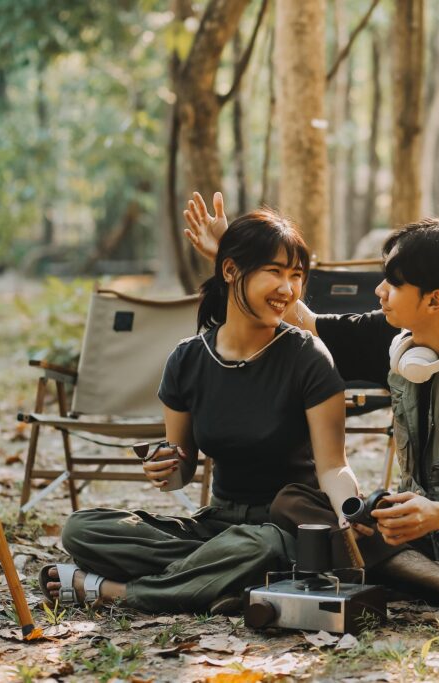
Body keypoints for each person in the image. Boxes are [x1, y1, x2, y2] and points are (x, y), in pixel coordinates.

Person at [184, 193, 439, 613]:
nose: (380, 291)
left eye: (393, 283)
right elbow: (304, 321)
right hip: (416, 528)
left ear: (434, 300)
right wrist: (233, 258)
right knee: (295, 501)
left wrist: (438, 515)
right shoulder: (393, 337)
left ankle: (432, 572)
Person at [40, 208, 360, 613]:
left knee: (257, 547)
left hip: (281, 527)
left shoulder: (308, 356)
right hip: (214, 527)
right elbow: (182, 470)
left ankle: (117, 591)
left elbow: (333, 466)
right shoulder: (188, 359)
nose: (288, 288)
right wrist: (166, 465)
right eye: (275, 272)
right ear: (230, 271)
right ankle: (215, 579)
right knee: (82, 529)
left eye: (297, 275)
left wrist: (351, 511)